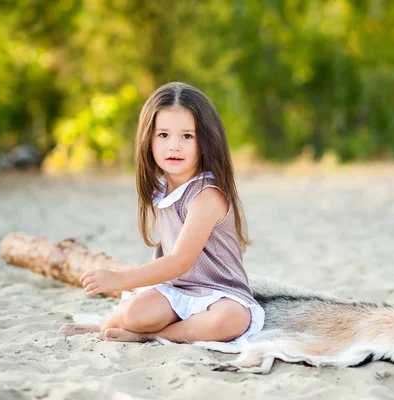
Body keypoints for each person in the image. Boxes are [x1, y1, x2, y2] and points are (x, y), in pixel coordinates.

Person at [60, 82, 264, 343]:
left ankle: (153, 336)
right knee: (136, 313)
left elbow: (180, 261)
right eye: (163, 135)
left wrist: (119, 279)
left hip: (220, 293)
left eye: (187, 136)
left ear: (205, 142)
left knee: (231, 320)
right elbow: (174, 272)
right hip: (174, 289)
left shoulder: (207, 195)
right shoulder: (162, 189)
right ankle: (105, 326)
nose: (174, 146)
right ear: (149, 140)